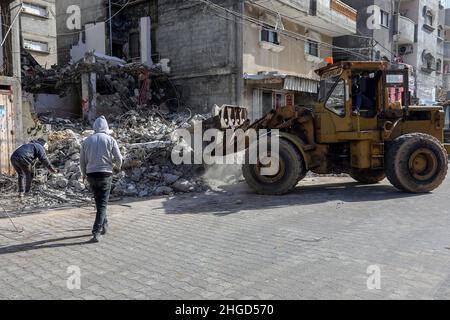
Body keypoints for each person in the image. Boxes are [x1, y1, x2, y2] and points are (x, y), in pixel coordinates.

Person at [80, 116, 123, 243]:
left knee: (99, 202)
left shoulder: (86, 141)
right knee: (103, 204)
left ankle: (104, 225)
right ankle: (96, 231)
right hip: (105, 174)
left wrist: (83, 174)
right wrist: (117, 168)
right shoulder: (110, 139)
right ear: (106, 127)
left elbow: (82, 161)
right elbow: (119, 158)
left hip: (91, 175)